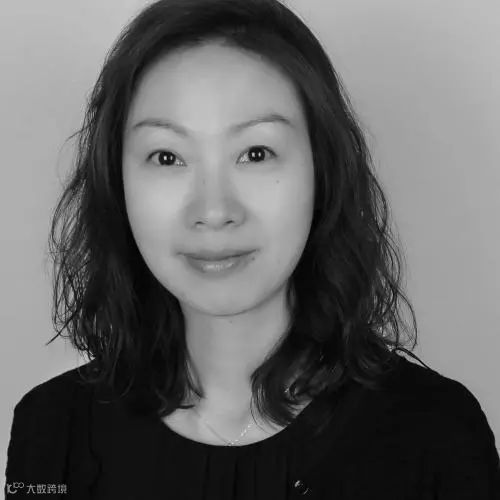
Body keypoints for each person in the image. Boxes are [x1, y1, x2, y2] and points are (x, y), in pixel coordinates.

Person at [4, 0, 499, 498]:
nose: (213, 210)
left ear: (322, 171)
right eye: (167, 156)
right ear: (118, 183)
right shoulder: (52, 430)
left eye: (256, 153)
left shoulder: (436, 434)